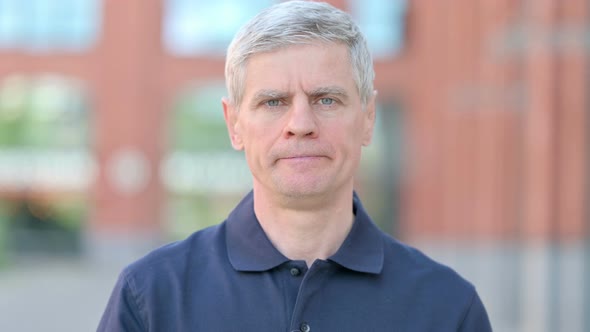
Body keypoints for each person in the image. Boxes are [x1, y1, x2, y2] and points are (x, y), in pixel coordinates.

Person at [98, 1, 493, 331]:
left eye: (326, 100)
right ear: (234, 124)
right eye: (274, 102)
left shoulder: (448, 308)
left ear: (368, 118)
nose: (300, 125)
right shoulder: (151, 296)